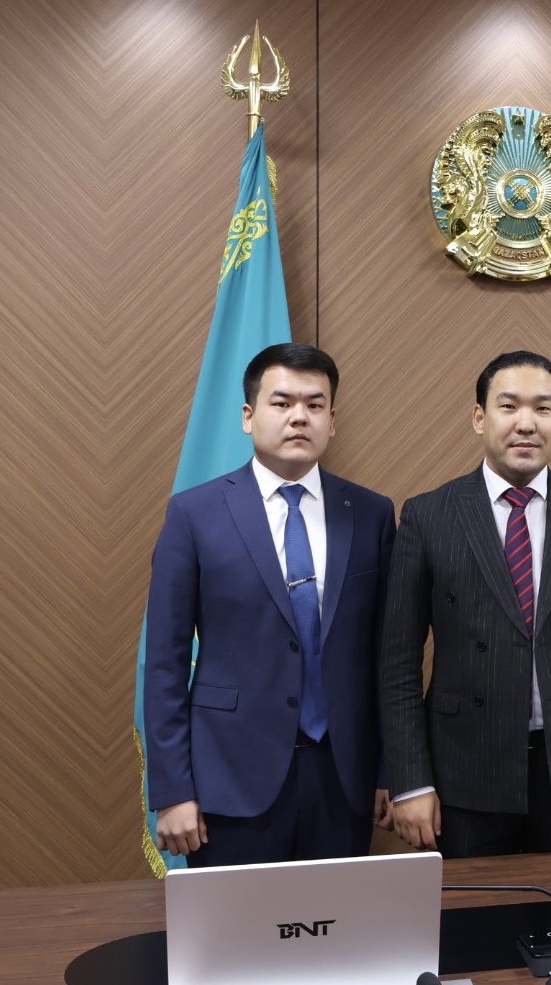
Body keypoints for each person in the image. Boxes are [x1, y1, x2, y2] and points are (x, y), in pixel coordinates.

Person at [379, 350, 551, 857]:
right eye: (509, 407)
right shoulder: (428, 515)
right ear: (479, 417)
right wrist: (411, 783)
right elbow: (397, 664)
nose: (526, 423)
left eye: (543, 409)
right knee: (474, 927)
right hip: (463, 774)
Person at [144, 343, 396, 865]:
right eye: (281, 403)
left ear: (333, 419)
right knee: (238, 943)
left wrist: (391, 772)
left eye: (315, 404)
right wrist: (172, 790)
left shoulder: (371, 514)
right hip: (230, 781)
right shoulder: (195, 514)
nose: (299, 417)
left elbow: (385, 657)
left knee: (337, 936)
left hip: (343, 779)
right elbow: (165, 662)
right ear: (248, 415)